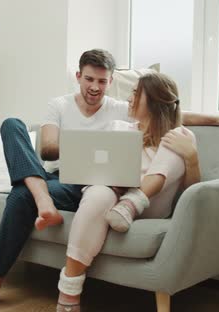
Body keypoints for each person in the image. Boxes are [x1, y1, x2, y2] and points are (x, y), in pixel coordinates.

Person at [0, 49, 219, 312]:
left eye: (102, 82)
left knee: (25, 192)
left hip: (97, 185)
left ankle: (3, 269)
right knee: (12, 129)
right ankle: (40, 202)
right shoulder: (60, 105)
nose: (95, 87)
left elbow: (170, 110)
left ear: (110, 81)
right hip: (61, 178)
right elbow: (47, 148)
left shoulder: (121, 110)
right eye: (90, 79)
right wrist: (93, 144)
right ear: (79, 76)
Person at [56, 71, 199, 312]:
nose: (129, 99)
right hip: (112, 201)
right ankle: (68, 294)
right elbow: (94, 167)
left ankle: (135, 201)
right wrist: (110, 180)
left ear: (153, 101)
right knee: (99, 193)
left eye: (135, 94)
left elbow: (194, 194)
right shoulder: (118, 127)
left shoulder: (180, 136)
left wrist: (192, 158)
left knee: (176, 138)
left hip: (149, 209)